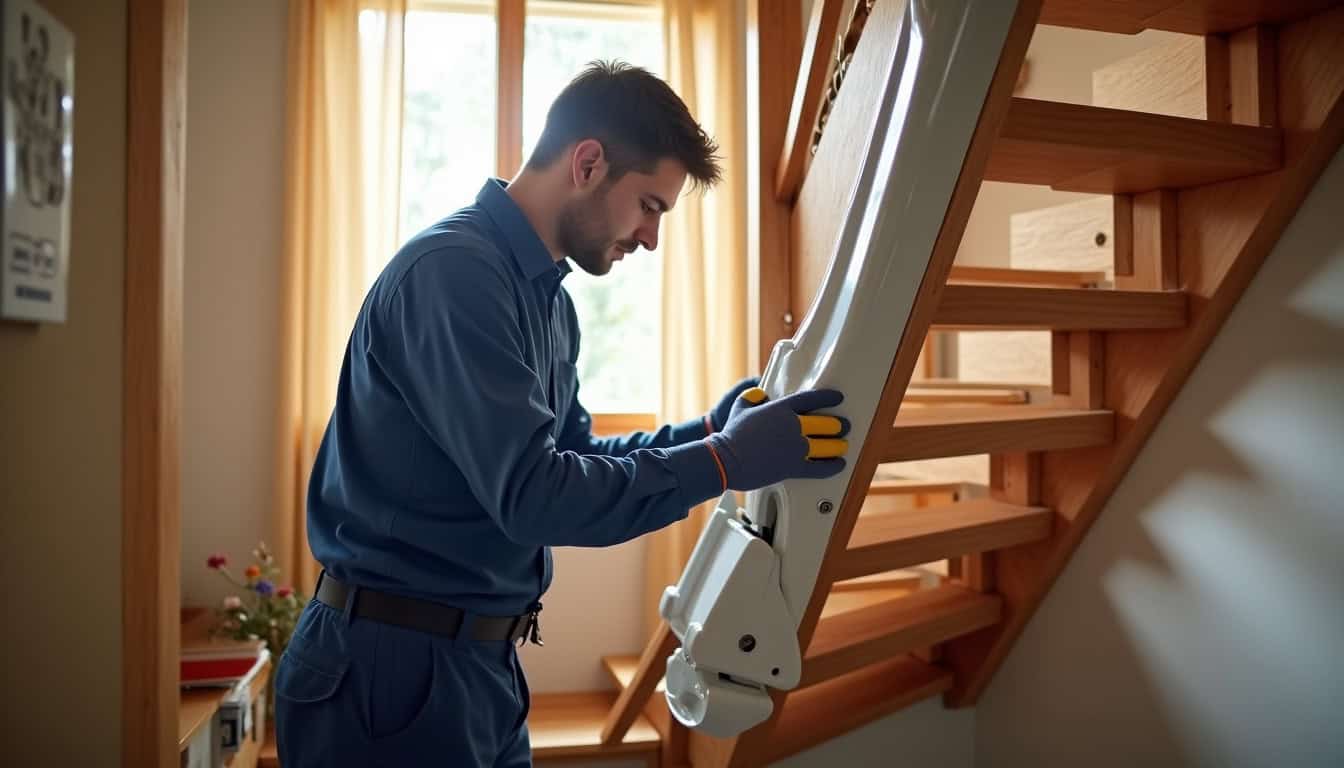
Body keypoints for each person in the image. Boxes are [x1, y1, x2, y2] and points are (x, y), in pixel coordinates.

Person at [275, 60, 850, 767]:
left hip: (478, 664)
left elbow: (571, 454)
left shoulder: (550, 301)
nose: (650, 238)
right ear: (587, 163)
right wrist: (726, 461)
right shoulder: (455, 275)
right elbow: (536, 497)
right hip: (391, 670)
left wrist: (707, 432)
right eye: (650, 206)